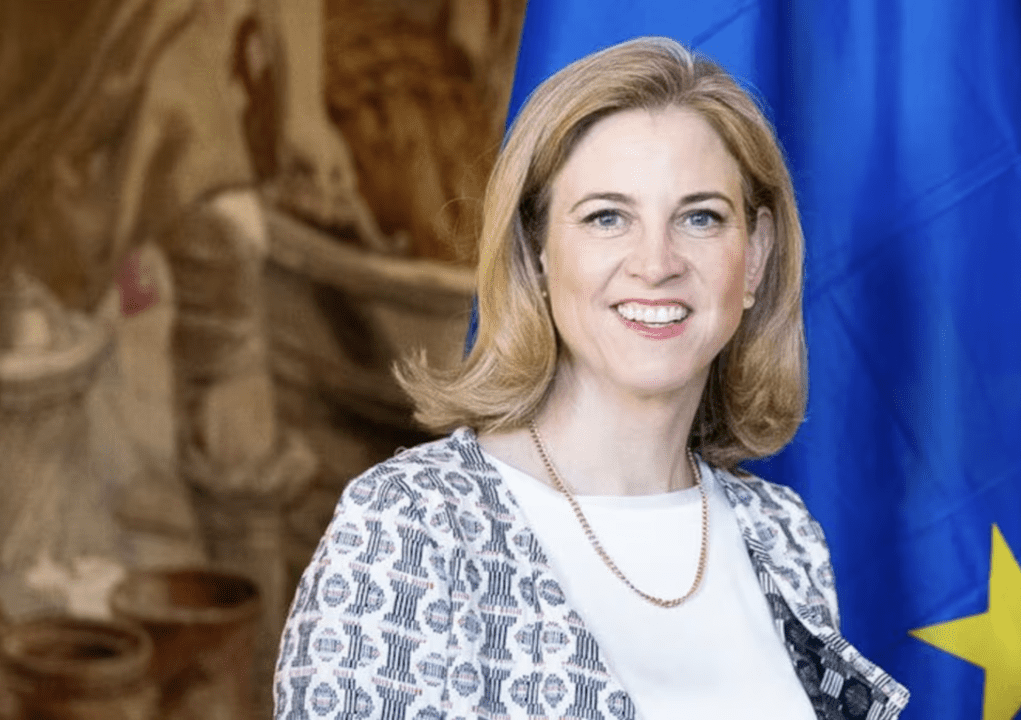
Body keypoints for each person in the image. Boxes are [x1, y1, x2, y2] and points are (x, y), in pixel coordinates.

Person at [274, 36, 909, 719]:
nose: (656, 263)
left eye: (700, 217)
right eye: (608, 217)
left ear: (753, 257)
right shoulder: (413, 526)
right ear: (536, 251)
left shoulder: (782, 535)